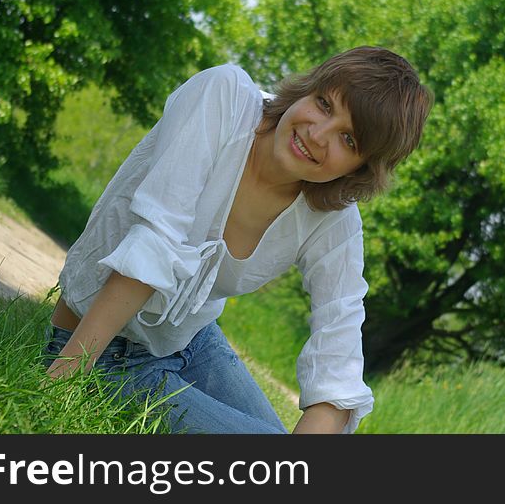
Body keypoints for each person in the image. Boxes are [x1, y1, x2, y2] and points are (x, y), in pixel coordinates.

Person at [43, 46, 432, 434]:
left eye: (348, 139)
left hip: (194, 341)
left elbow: (338, 357)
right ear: (307, 89)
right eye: (324, 104)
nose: (316, 134)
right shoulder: (224, 99)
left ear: (362, 167)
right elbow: (155, 242)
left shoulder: (335, 219)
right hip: (105, 348)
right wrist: (60, 380)